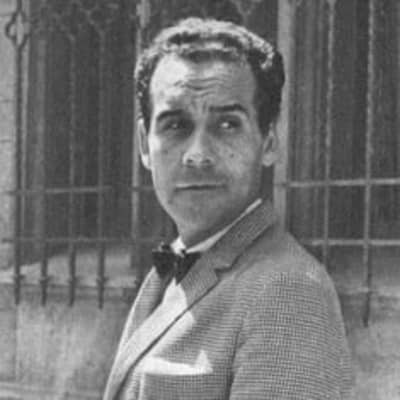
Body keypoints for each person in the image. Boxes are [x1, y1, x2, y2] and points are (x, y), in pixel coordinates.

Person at [103, 18, 353, 400]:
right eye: (176, 125)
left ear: (268, 142)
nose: (197, 154)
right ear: (143, 144)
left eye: (226, 125)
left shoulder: (288, 291)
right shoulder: (171, 272)